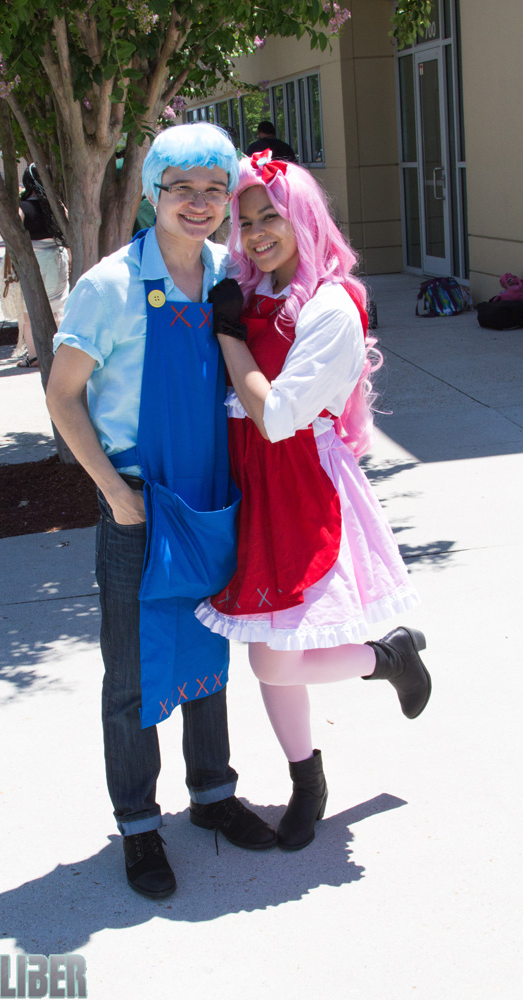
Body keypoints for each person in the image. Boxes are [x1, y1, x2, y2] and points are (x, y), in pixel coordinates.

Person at [45, 123, 277, 900]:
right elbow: (62, 396)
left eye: (214, 189)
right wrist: (116, 496)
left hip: (209, 496)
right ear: (154, 194)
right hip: (139, 506)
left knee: (209, 652)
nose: (200, 203)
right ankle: (138, 824)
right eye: (183, 188)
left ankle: (212, 794)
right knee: (131, 675)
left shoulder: (225, 274)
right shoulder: (108, 286)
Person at [196, 152, 432, 852]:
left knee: (273, 658)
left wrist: (228, 336)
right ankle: (307, 780)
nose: (257, 233)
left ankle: (386, 658)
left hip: (299, 484)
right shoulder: (254, 287)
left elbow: (276, 418)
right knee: (270, 651)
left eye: (270, 216)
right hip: (252, 483)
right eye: (246, 222)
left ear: (304, 217)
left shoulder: (330, 306)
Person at [15, 164, 69, 367]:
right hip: (58, 257)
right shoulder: (57, 205)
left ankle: (34, 356)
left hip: (34, 260)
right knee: (59, 310)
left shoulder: (21, 207)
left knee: (29, 314)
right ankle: (64, 353)